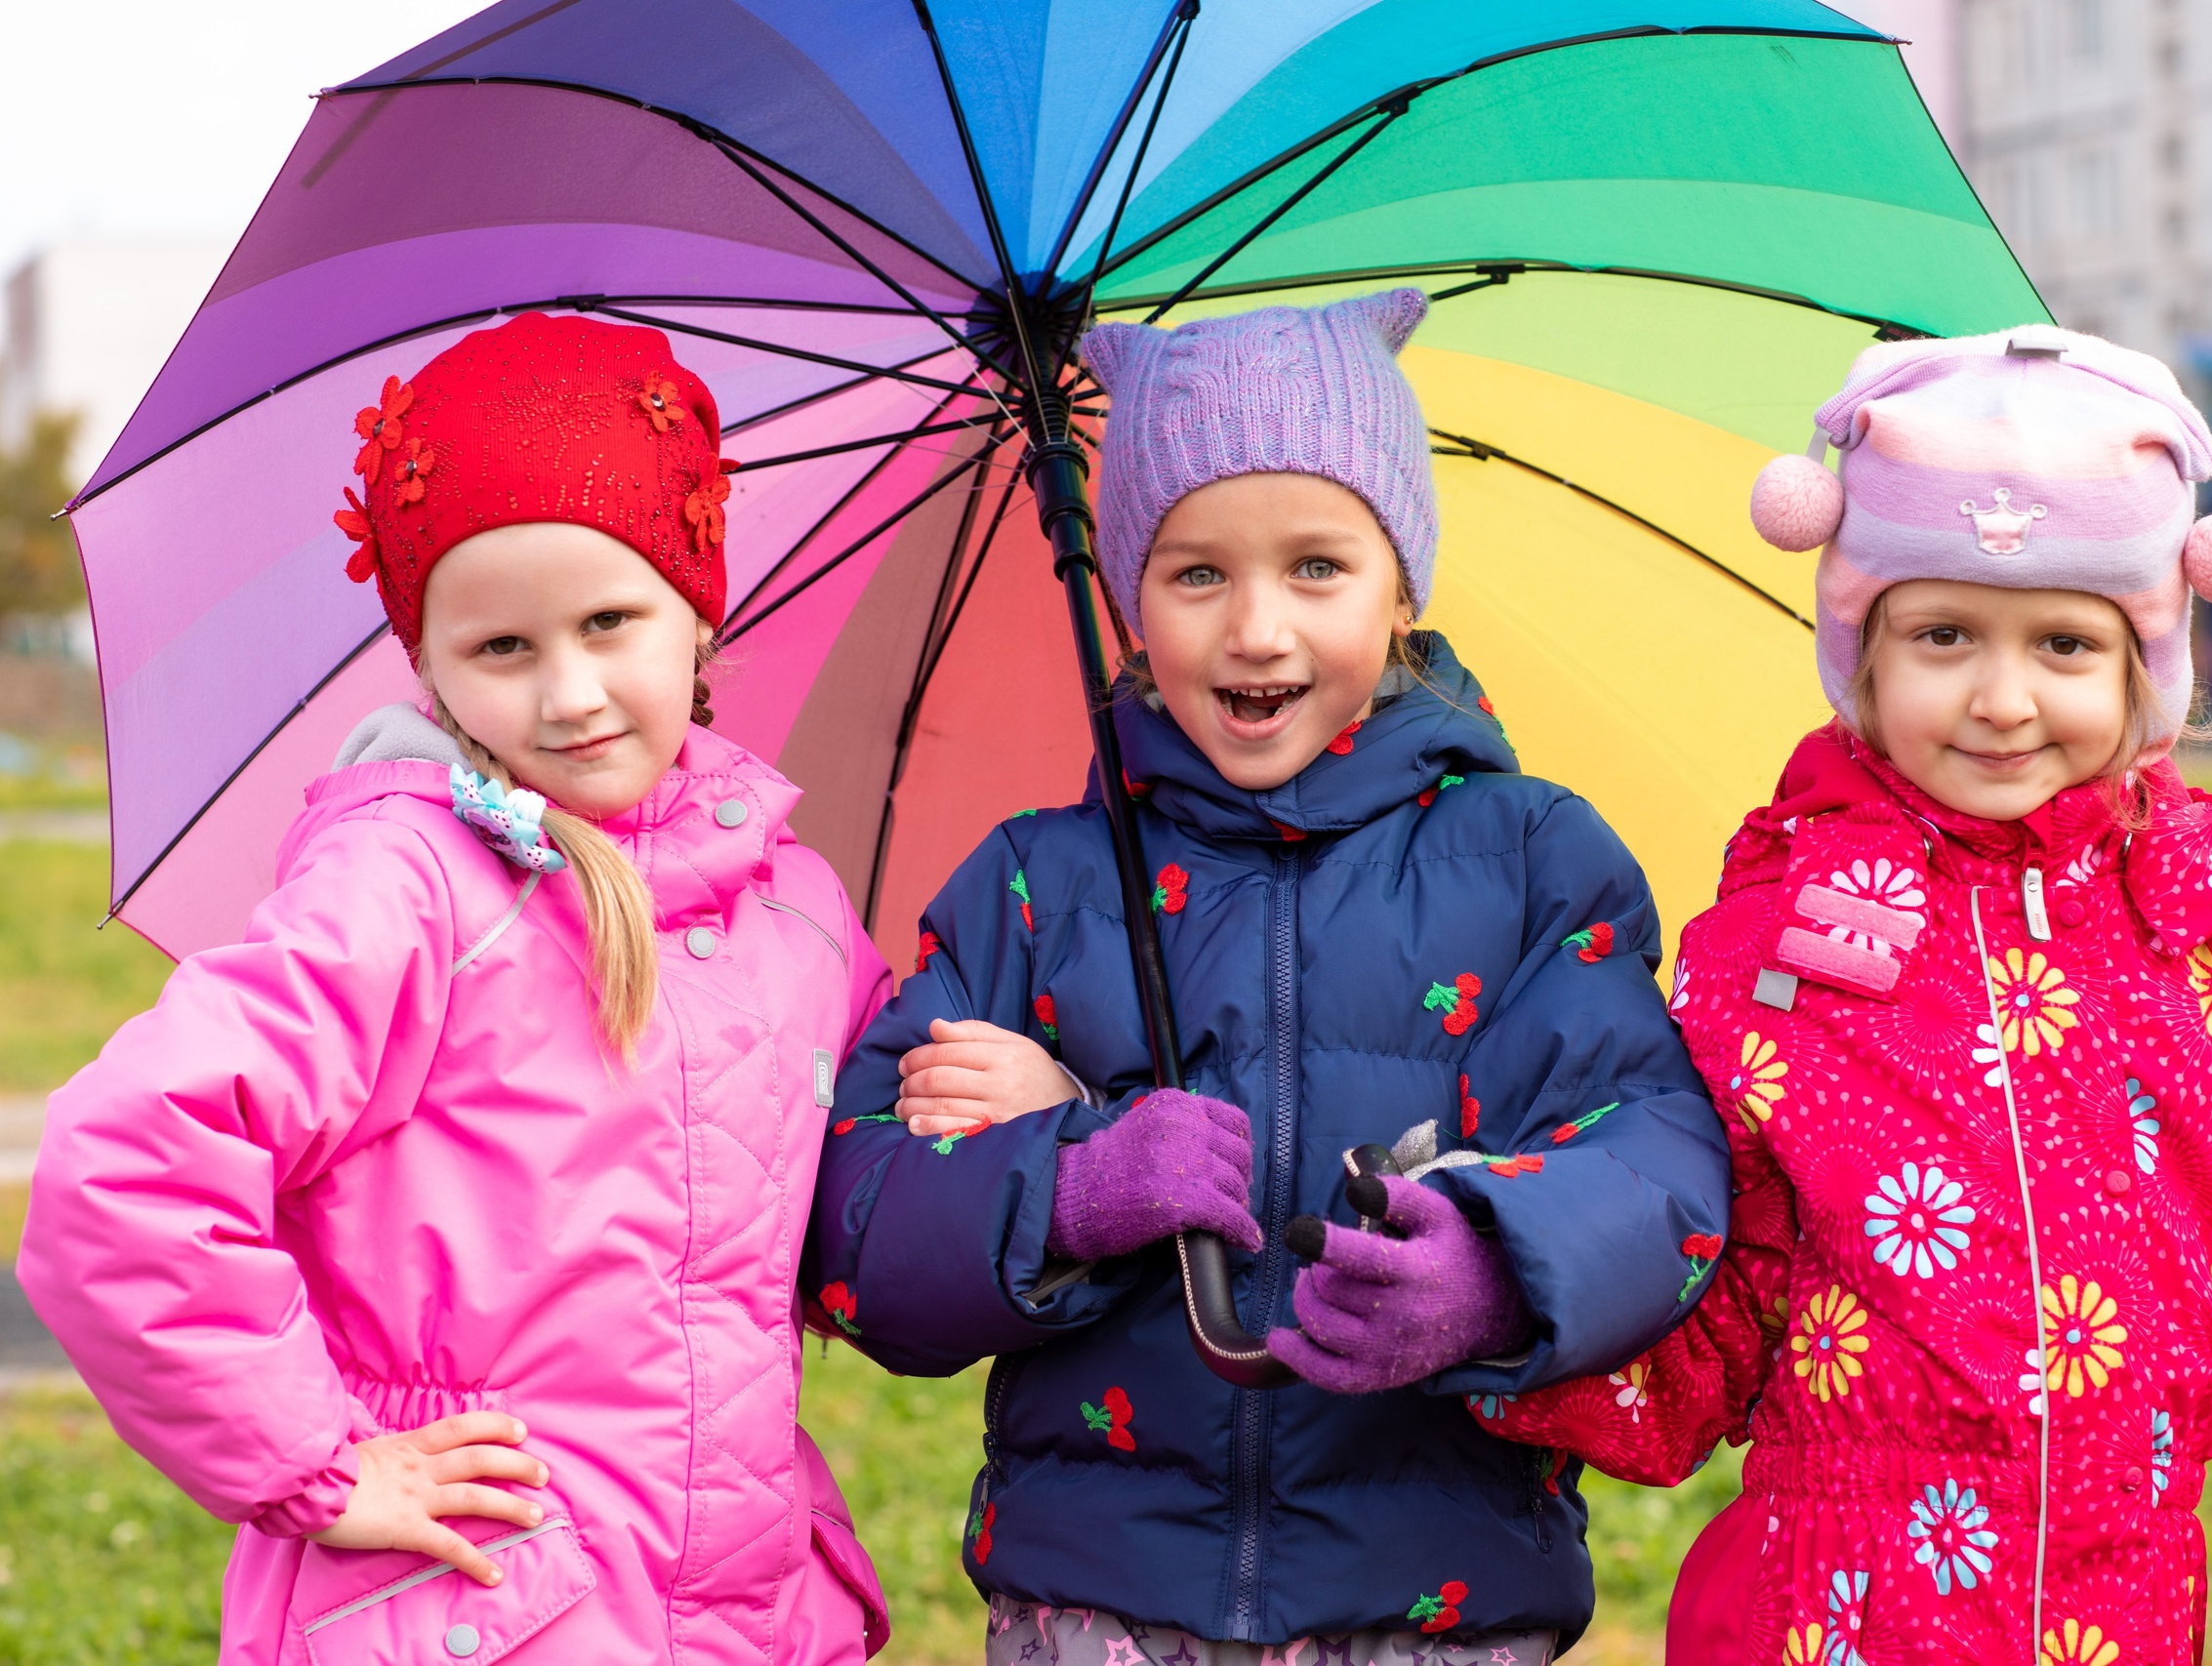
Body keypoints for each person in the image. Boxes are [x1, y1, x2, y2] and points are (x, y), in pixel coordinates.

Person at [1470, 326, 2212, 1664]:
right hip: (1828, 1630)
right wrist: (1495, 1289)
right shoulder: (1775, 957)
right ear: (1862, 655)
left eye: (2063, 642)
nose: (2002, 699)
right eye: (1942, 634)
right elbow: (1690, 1338)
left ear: (2145, 669)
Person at [804, 290, 1730, 1665]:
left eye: (1316, 568)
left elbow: (1652, 1154)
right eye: (1195, 575)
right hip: (1103, 1607)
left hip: (1437, 1602)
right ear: (1123, 602)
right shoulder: (1037, 885)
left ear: (1402, 583)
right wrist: (1069, 1174)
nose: (1256, 630)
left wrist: (1493, 1265)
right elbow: (853, 1219)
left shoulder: (1532, 859)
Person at [18, 312, 892, 1664]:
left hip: (742, 1610)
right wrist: (318, 1459)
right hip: (486, 1609)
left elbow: (877, 1182)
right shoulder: (408, 889)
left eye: (612, 622)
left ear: (697, 609)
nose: (571, 693)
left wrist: (1019, 1100)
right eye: (501, 649)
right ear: (426, 663)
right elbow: (126, 1162)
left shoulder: (802, 911)